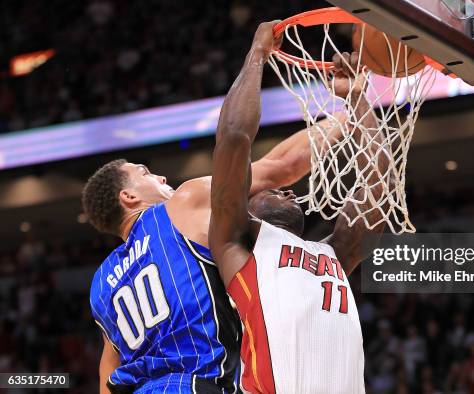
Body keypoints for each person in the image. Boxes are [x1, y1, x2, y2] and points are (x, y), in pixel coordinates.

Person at [82, 54, 345, 394]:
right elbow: (279, 168)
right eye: (145, 173)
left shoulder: (101, 283)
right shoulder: (181, 205)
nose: (161, 176)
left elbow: (109, 369)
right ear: (129, 197)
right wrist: (350, 115)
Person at [209, 21, 389, 393]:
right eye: (274, 191)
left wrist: (355, 97)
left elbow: (378, 182)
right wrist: (257, 54)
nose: (292, 194)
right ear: (247, 208)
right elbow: (234, 137)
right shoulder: (239, 245)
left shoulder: (334, 252)